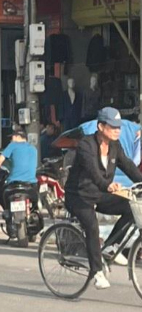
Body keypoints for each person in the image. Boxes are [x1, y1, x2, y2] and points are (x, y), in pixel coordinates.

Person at [64, 107, 142, 290]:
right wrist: (107, 185)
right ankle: (97, 272)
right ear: (101, 127)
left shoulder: (115, 146)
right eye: (113, 127)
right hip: (79, 196)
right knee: (92, 226)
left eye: (119, 127)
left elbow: (128, 166)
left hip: (99, 194)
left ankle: (111, 246)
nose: (117, 130)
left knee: (131, 207)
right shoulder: (86, 145)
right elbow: (93, 171)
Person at [0, 127, 37, 209]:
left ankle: (7, 212)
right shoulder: (33, 149)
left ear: (18, 136)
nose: (11, 140)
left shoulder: (13, 145)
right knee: (34, 206)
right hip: (31, 184)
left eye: (12, 137)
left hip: (14, 184)